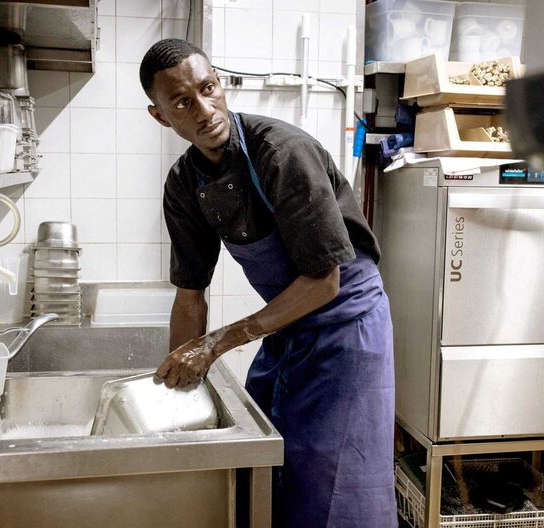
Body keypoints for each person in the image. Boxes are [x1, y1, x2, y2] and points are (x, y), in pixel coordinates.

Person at [140, 38, 397, 528]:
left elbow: (323, 282)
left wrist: (216, 344)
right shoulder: (184, 184)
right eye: (182, 103)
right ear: (160, 116)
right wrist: (177, 393)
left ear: (220, 83)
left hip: (347, 328)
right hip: (288, 329)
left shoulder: (282, 153)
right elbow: (190, 294)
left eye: (208, 89)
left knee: (335, 483)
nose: (204, 110)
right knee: (273, 464)